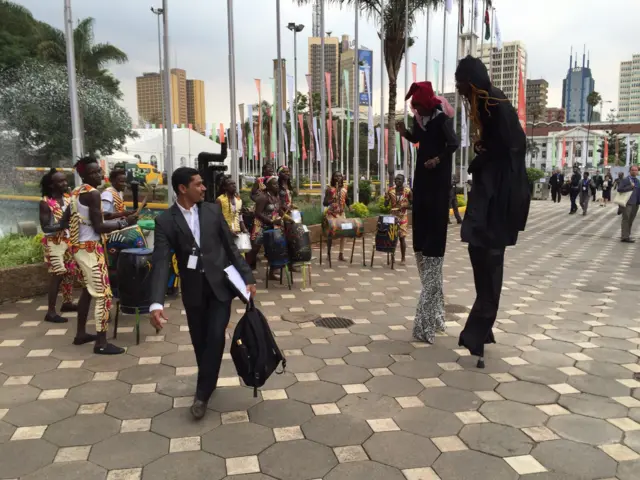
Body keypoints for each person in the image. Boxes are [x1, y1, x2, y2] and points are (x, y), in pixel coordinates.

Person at [149, 167, 256, 419]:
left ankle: (202, 393)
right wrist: (156, 303)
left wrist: (247, 278)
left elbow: (229, 247)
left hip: (220, 286)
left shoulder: (211, 210)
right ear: (183, 189)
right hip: (194, 291)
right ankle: (208, 376)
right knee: (200, 341)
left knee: (216, 335)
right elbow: (161, 262)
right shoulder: (165, 221)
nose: (204, 188)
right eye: (198, 184)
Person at [454, 56, 530, 368]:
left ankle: (476, 333)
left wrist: (481, 158)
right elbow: (503, 146)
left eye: (460, 84)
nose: (458, 90)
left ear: (471, 83)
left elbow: (509, 148)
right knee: (481, 257)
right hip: (493, 197)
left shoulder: (495, 105)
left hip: (498, 201)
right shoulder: (491, 105)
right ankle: (482, 330)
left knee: (488, 261)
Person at [397, 81, 459, 343]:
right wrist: (404, 132)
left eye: (418, 108)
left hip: (437, 179)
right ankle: (436, 317)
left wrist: (439, 159)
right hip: (422, 179)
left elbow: (453, 144)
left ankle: (426, 323)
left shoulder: (441, 119)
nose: (416, 113)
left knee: (433, 257)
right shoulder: (421, 122)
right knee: (422, 246)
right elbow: (418, 139)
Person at [64, 156, 138, 354]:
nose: (99, 175)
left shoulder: (75, 192)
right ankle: (102, 343)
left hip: (78, 248)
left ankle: (81, 334)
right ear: (83, 174)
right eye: (94, 172)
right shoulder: (93, 193)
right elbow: (99, 227)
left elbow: (67, 221)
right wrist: (124, 223)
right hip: (90, 250)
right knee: (104, 295)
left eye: (99, 171)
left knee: (88, 292)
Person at [39, 169, 77, 324]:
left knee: (69, 272)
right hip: (53, 243)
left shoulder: (68, 200)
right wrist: (63, 225)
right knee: (58, 274)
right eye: (60, 181)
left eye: (65, 180)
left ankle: (67, 303)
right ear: (52, 185)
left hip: (67, 242)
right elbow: (46, 227)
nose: (65, 184)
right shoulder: (45, 202)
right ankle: (51, 312)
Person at [246, 176, 283, 273]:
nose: (277, 186)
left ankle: (272, 272)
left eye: (277, 184)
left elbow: (279, 211)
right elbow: (257, 213)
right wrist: (271, 221)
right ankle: (245, 272)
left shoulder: (276, 197)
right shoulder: (263, 197)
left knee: (273, 249)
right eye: (274, 184)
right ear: (268, 186)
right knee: (254, 249)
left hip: (273, 226)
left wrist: (288, 218)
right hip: (260, 226)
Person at [384, 174, 413, 265]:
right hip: (392, 217)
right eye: (396, 179)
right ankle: (392, 257)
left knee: (402, 238)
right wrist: (386, 199)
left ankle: (403, 258)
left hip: (402, 217)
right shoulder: (390, 190)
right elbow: (385, 204)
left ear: (403, 181)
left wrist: (405, 206)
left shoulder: (408, 191)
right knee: (392, 237)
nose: (397, 181)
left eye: (399, 179)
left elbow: (413, 205)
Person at [323, 171, 350, 262]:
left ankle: (341, 254)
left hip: (341, 214)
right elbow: (325, 203)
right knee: (331, 233)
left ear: (342, 178)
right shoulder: (329, 189)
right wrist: (331, 200)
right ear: (333, 178)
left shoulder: (344, 189)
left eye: (340, 176)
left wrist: (350, 207)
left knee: (345, 232)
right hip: (332, 214)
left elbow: (347, 200)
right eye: (336, 176)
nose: (338, 178)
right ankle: (328, 254)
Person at [617, 165, 640, 243]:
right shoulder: (626, 180)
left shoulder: (637, 180)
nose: (634, 171)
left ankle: (627, 235)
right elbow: (619, 189)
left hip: (636, 203)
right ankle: (624, 236)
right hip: (628, 203)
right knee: (626, 219)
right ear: (630, 171)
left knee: (631, 220)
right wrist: (630, 187)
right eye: (633, 170)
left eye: (636, 170)